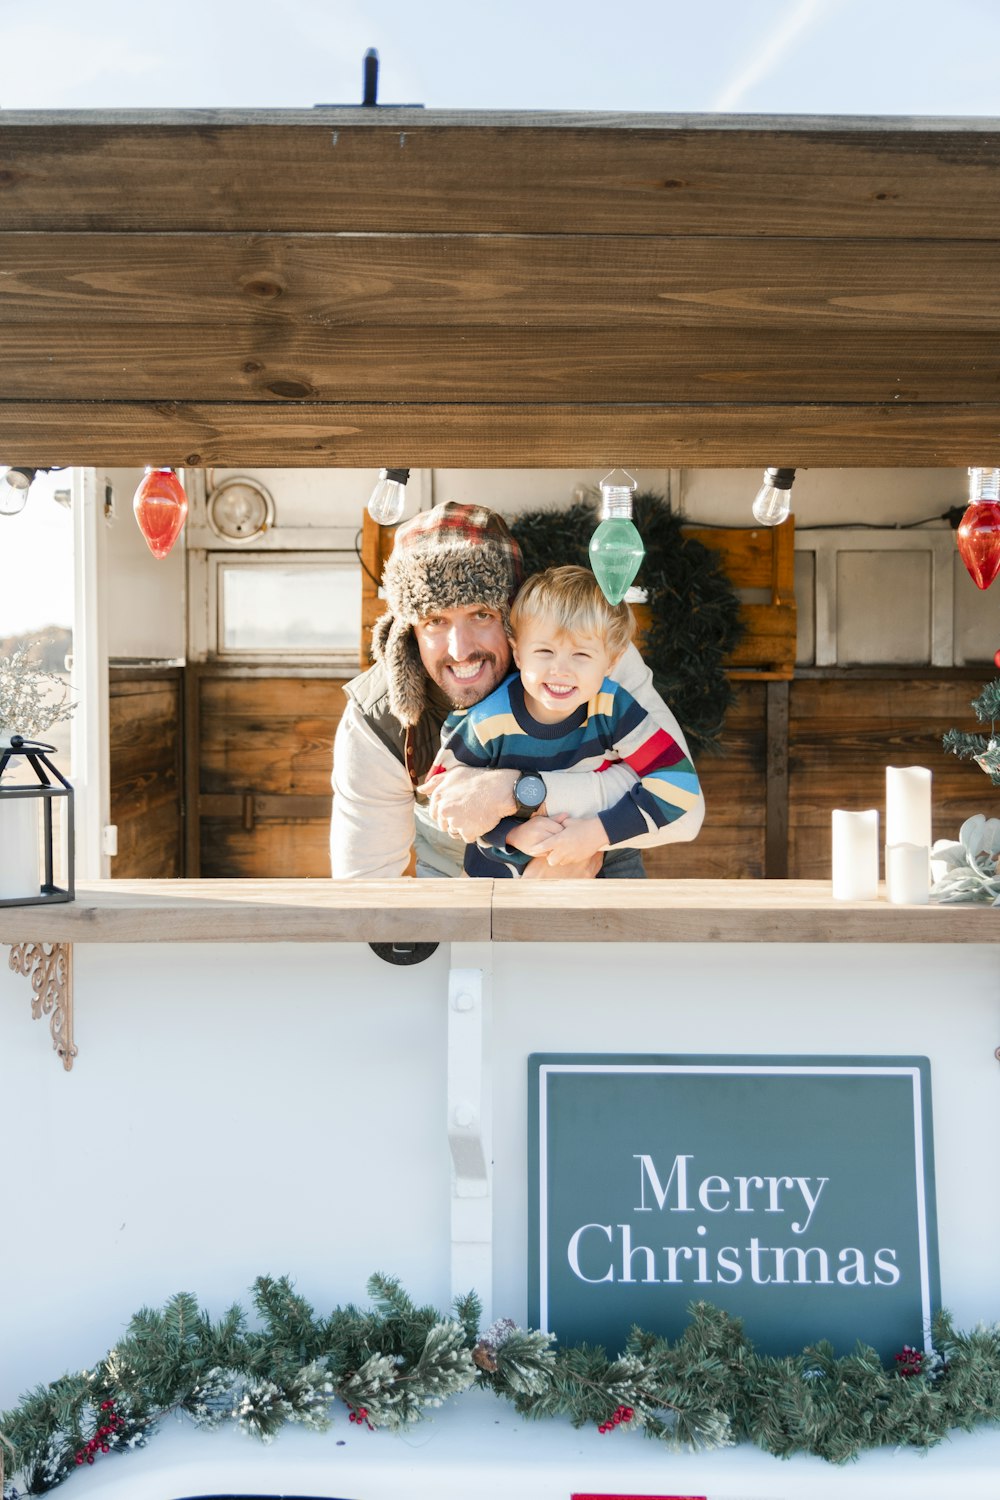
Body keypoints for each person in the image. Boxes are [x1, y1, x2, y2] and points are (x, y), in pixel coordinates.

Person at [330, 502, 704, 878]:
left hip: (602, 860)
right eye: (435, 621)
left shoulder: (589, 657)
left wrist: (520, 792)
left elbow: (687, 811)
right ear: (410, 629)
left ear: (513, 617)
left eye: (481, 614)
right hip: (461, 879)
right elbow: (365, 881)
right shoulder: (378, 718)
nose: (461, 651)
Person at [427, 566, 702, 877]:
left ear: (611, 661)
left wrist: (597, 834)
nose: (561, 670)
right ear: (518, 654)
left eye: (581, 655)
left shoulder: (613, 707)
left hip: (603, 862)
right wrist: (512, 834)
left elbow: (678, 783)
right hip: (498, 876)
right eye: (544, 651)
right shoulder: (485, 722)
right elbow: (455, 807)